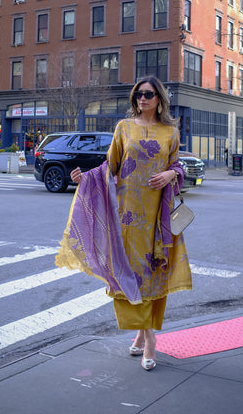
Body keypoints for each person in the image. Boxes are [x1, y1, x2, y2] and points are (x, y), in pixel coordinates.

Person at [56, 76, 192, 371]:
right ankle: (149, 337)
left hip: (157, 215)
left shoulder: (170, 132)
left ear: (159, 99)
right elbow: (111, 167)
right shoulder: (124, 128)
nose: (142, 98)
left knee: (153, 272)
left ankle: (144, 336)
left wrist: (171, 174)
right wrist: (86, 178)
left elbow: (176, 165)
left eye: (148, 94)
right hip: (128, 216)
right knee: (131, 272)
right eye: (138, 94)